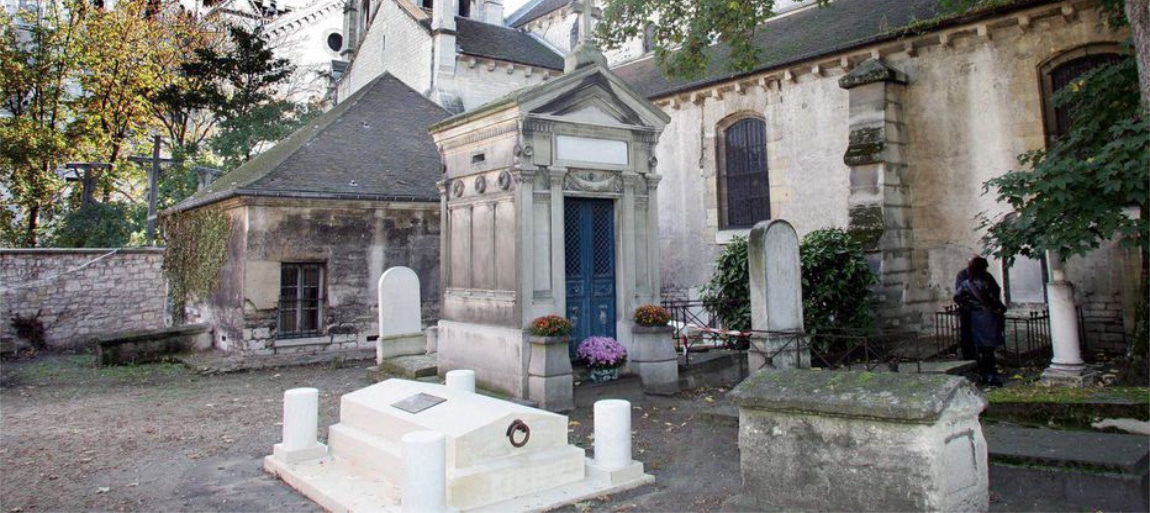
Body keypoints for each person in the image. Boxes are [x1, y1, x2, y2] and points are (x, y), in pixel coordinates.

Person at [954, 256, 1007, 387]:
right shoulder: (984, 280)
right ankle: (988, 374)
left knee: (982, 347)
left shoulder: (967, 281)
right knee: (987, 348)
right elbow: (993, 298)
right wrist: (999, 308)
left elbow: (957, 297)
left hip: (975, 316)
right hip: (987, 316)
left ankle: (984, 373)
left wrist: (969, 306)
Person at [954, 256, 977, 361]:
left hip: (978, 310)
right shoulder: (963, 275)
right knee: (967, 333)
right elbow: (958, 294)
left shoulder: (984, 276)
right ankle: (968, 355)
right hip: (967, 309)